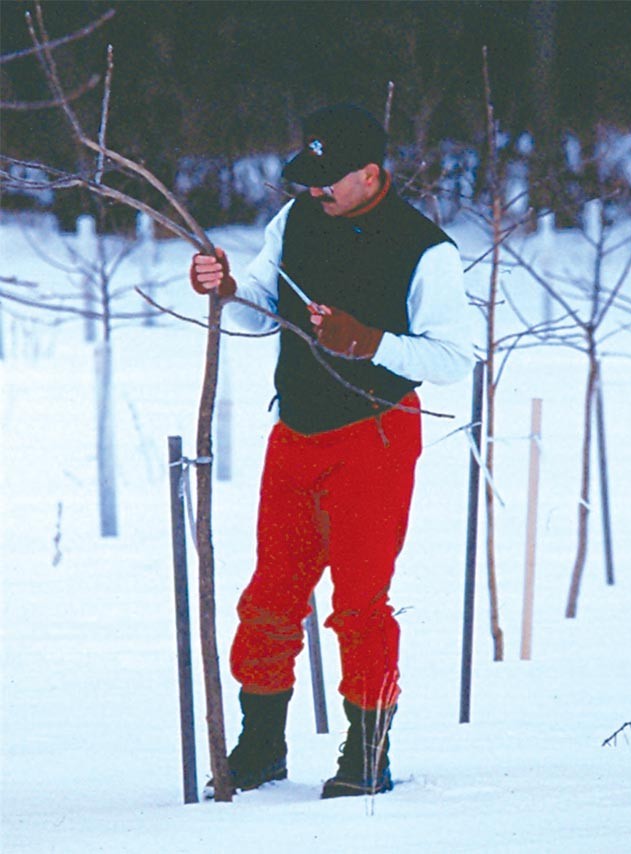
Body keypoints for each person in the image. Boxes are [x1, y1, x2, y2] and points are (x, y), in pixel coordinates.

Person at [190, 104, 471, 799]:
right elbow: (261, 293)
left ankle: (366, 750)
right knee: (269, 597)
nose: (314, 193)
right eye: (308, 180)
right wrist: (223, 286)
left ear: (370, 173)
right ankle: (261, 746)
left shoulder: (426, 249)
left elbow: (454, 356)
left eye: (328, 182)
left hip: (374, 434)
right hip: (296, 433)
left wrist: (368, 341)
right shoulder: (296, 220)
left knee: (359, 603)